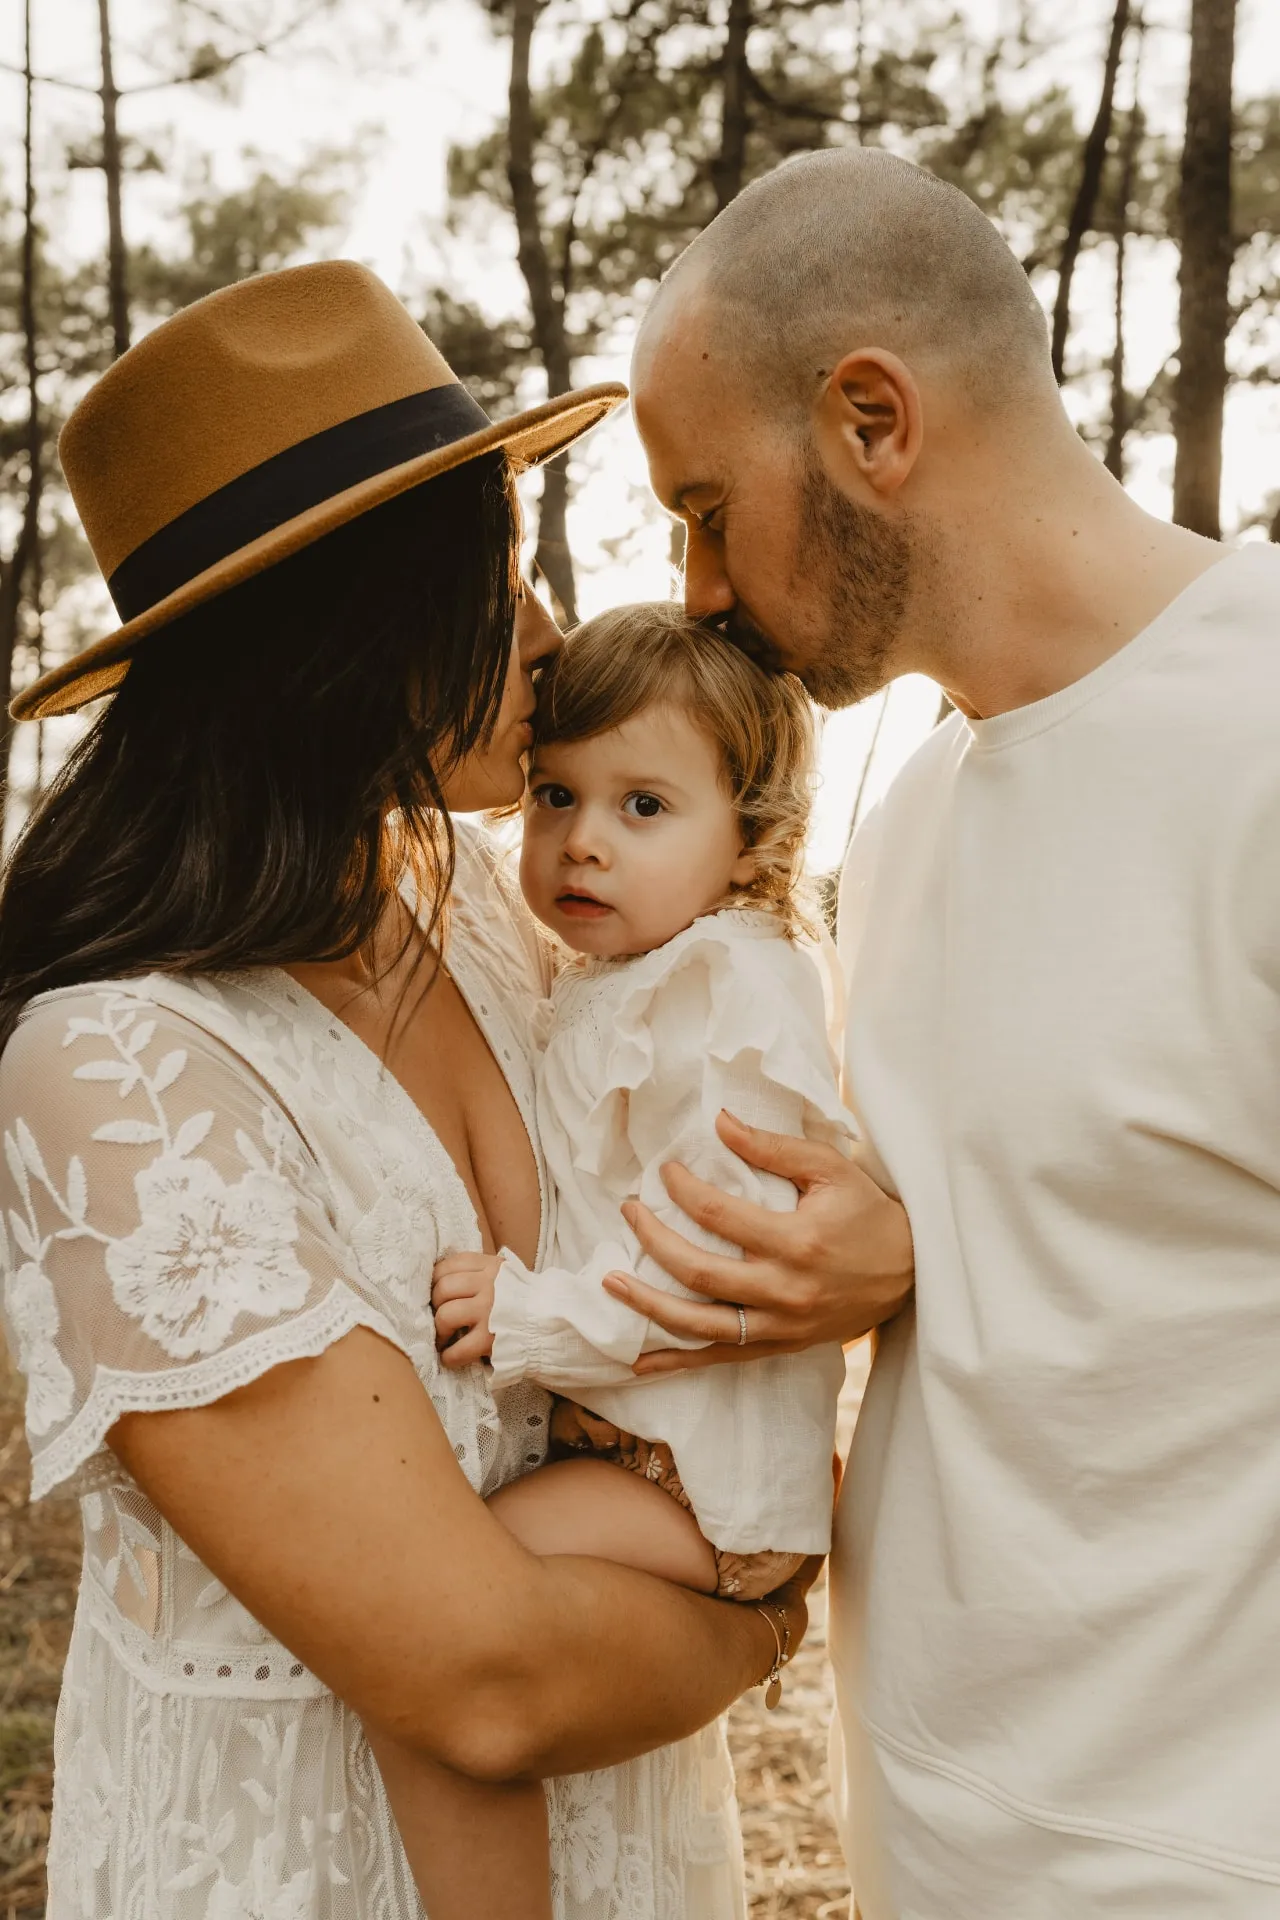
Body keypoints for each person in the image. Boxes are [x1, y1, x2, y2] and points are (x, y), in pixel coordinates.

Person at [0, 259, 908, 1920]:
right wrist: (767, 1613)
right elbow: (480, 1677)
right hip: (302, 1865)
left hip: (621, 1829)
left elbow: (717, 1148)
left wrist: (867, 1254)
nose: (548, 633)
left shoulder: (486, 912)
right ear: (344, 637)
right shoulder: (118, 1069)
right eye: (497, 582)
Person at [610, 145, 1280, 1917]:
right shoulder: (904, 820)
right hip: (937, 1851)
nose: (695, 586)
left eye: (706, 506)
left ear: (872, 421)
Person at [412, 602, 853, 1910]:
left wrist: (524, 1316)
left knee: (449, 1614)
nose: (583, 841)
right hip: (639, 1453)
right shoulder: (625, 972)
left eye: (643, 806)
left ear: (752, 839)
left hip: (697, 1483)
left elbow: (719, 1264)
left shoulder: (727, 994)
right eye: (557, 794)